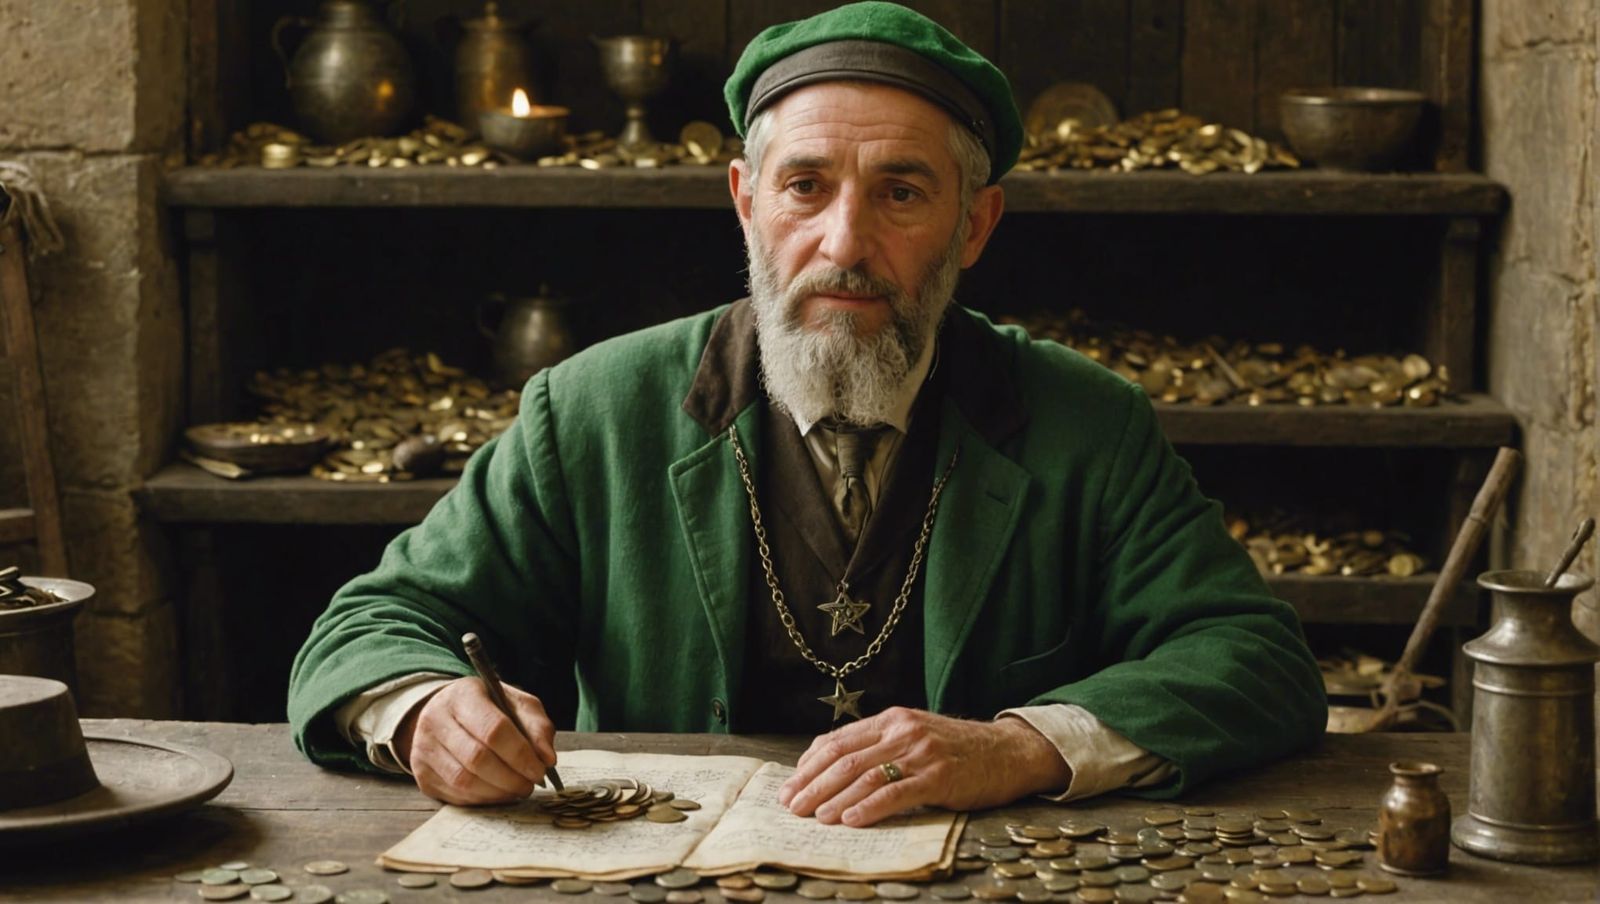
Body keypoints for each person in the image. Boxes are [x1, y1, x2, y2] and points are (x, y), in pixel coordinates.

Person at [288, 1, 1326, 829]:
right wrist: (427, 710)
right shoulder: (592, 411)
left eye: (902, 193)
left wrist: (1019, 745)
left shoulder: (1085, 423)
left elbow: (1254, 658)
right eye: (805, 185)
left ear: (975, 224)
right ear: (745, 199)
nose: (844, 241)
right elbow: (365, 628)